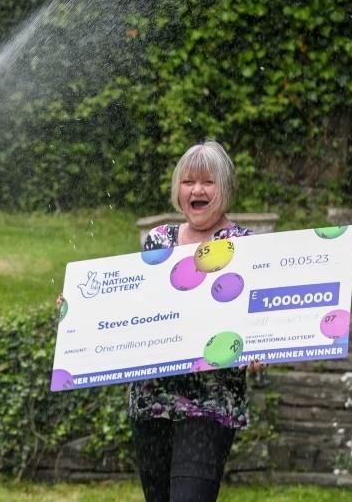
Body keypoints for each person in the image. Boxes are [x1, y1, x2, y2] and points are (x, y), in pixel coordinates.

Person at [129, 140, 263, 502]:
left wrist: (260, 346)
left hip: (210, 402)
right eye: (189, 182)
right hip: (152, 401)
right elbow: (133, 304)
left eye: (208, 182)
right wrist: (78, 306)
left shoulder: (245, 246)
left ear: (226, 188)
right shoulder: (159, 241)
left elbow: (259, 320)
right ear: (178, 190)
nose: (197, 190)